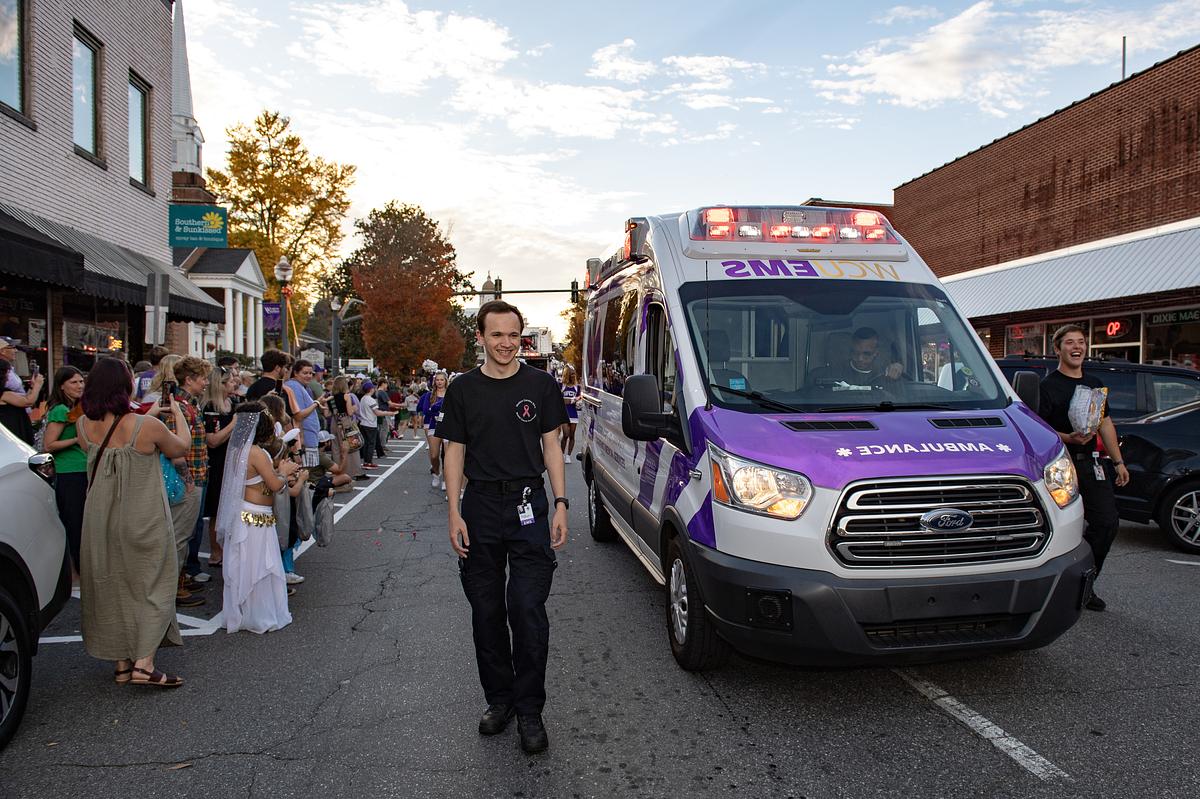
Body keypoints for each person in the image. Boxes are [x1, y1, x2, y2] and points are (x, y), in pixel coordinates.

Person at [441, 300, 569, 755]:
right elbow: (453, 451)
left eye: (513, 335)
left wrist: (560, 503)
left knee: (527, 607)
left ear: (522, 337)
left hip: (528, 503)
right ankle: (500, 701)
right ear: (480, 337)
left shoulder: (541, 385)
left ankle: (530, 709)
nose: (505, 343)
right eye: (496, 335)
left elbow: (552, 446)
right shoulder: (462, 390)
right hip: (479, 507)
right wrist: (454, 512)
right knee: (487, 611)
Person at [77, 356, 191, 687]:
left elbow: (103, 448)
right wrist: (178, 412)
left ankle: (122, 664)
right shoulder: (147, 427)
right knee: (154, 584)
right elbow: (179, 447)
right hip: (142, 516)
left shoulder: (83, 425)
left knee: (112, 585)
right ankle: (145, 663)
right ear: (125, 387)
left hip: (99, 518)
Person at [1037, 324, 1129, 612]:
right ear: (1057, 349)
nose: (1077, 347)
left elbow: (1105, 423)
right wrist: (1069, 438)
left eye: (1081, 342)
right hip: (1061, 467)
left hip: (1092, 465)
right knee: (1062, 529)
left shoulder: (1094, 384)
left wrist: (1118, 462)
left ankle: (1085, 584)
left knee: (1106, 524)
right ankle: (1055, 587)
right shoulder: (1047, 387)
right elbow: (1039, 429)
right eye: (1069, 343)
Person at [218, 402, 296, 633]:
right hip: (257, 516)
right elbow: (273, 484)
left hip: (244, 512)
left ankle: (244, 611)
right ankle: (259, 613)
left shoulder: (235, 450)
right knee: (260, 564)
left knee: (245, 564)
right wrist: (284, 472)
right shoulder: (256, 452)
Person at [161, 357, 212, 608]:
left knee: (186, 533)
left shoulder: (189, 405)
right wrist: (188, 481)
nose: (206, 383)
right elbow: (174, 449)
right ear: (189, 379)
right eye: (202, 378)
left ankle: (180, 578)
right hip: (187, 480)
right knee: (180, 535)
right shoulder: (178, 407)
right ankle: (174, 586)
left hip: (196, 475)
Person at [42, 366, 87, 574]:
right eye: (74, 382)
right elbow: (49, 444)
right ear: (62, 385)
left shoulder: (76, 407)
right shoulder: (61, 409)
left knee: (81, 522)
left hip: (80, 469)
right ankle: (77, 571)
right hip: (69, 471)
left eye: (81, 381)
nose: (79, 386)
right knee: (74, 522)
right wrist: (79, 438)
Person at [198, 367, 241, 570]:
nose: (235, 384)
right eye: (231, 381)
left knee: (232, 506)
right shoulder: (209, 407)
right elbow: (212, 440)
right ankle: (216, 552)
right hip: (215, 462)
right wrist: (234, 423)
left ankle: (230, 549)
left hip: (233, 460)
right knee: (216, 507)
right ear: (221, 384)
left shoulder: (232, 402)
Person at [811, 327, 904, 386]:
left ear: (876, 352)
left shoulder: (887, 375)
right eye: (855, 352)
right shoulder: (830, 375)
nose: (860, 358)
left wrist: (898, 373)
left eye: (866, 354)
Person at [282, 359, 327, 470]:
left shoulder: (300, 386)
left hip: (307, 436)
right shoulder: (294, 386)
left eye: (311, 373)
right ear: (296, 373)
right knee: (305, 472)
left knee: (307, 473)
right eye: (305, 373)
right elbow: (298, 415)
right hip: (304, 438)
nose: (308, 376)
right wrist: (316, 403)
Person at [0, 355, 42, 445]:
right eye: (7, 372)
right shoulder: (4, 394)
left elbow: (23, 399)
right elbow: (28, 402)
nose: (8, 376)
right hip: (12, 433)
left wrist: (32, 387)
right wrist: (38, 385)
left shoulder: (6, 393)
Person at [330, 376, 365, 481]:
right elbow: (350, 412)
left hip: (334, 422)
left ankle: (338, 470)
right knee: (351, 446)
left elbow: (327, 413)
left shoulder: (330, 397)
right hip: (345, 422)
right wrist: (354, 408)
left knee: (336, 448)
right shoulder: (346, 396)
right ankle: (352, 472)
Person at [355, 380, 396, 469]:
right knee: (371, 444)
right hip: (370, 424)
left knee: (366, 443)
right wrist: (389, 413)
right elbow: (377, 412)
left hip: (363, 423)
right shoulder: (371, 400)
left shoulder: (363, 399)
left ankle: (366, 461)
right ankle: (368, 462)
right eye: (373, 388)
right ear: (371, 389)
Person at [419, 371, 449, 489]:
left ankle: (446, 480)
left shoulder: (450, 393)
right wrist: (438, 410)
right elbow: (426, 411)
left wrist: (436, 409)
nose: (439, 382)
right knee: (434, 455)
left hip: (447, 426)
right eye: (437, 380)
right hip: (433, 426)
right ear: (434, 381)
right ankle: (436, 474)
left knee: (448, 456)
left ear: (446, 381)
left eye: (442, 380)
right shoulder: (429, 395)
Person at [559, 365, 581, 465]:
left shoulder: (577, 387)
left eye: (574, 374)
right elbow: (558, 399)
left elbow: (580, 397)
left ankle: (568, 456)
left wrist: (578, 399)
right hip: (564, 413)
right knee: (565, 435)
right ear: (567, 374)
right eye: (571, 374)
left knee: (572, 435)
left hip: (573, 413)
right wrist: (568, 400)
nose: (573, 376)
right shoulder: (561, 385)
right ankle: (561, 454)